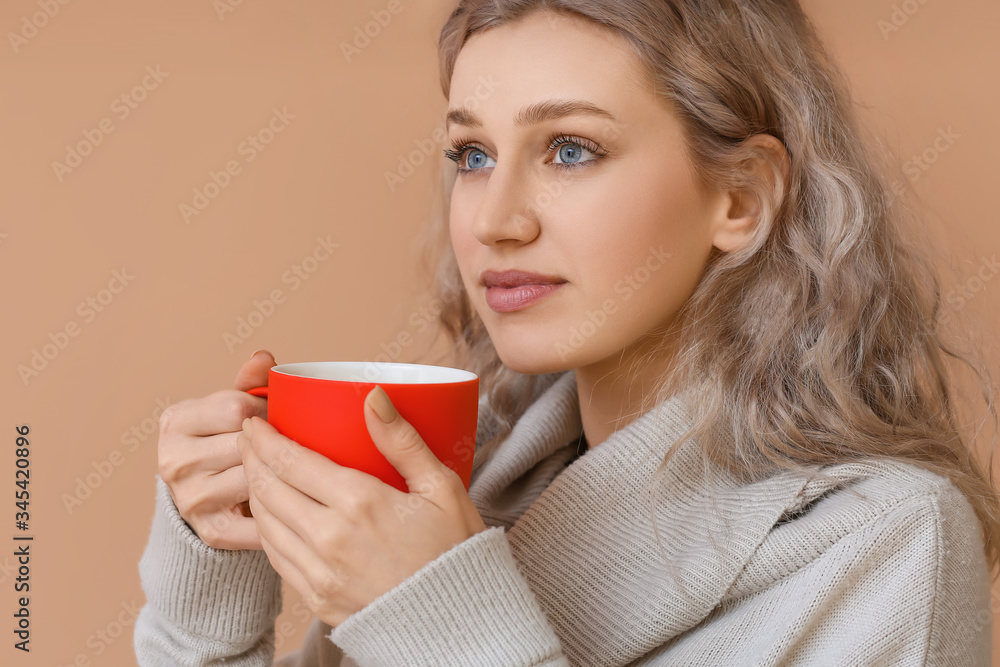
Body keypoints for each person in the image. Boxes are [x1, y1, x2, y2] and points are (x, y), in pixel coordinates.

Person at [134, 1, 1000, 665]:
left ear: (740, 198)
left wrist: (441, 616)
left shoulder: (890, 539)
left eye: (571, 149)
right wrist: (210, 574)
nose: (496, 220)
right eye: (472, 155)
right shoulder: (472, 486)